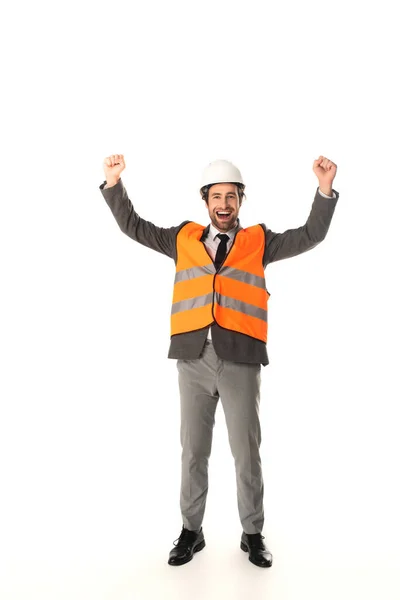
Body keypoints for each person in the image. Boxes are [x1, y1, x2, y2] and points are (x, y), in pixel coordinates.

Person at [99, 155, 339, 568]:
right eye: (216, 197)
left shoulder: (261, 242)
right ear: (205, 201)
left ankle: (253, 534)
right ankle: (192, 531)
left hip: (241, 360)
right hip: (192, 359)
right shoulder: (183, 239)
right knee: (193, 450)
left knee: (246, 452)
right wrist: (113, 184)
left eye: (231, 196)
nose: (223, 204)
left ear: (240, 201)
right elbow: (133, 227)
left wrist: (324, 189)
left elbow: (312, 234)